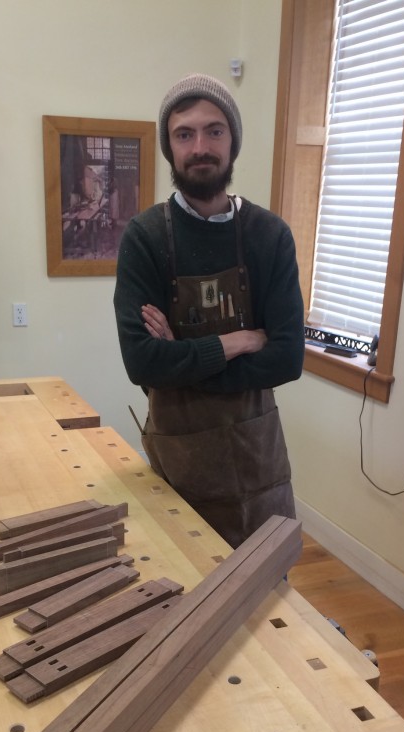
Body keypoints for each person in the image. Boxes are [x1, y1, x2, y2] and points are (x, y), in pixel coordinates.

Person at [114, 73, 305, 548]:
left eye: (214, 130)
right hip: (179, 468)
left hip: (259, 467)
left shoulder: (270, 235)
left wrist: (183, 359)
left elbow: (287, 358)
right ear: (170, 147)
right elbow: (141, 363)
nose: (200, 146)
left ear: (233, 142)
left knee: (269, 599)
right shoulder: (145, 238)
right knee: (181, 593)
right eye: (184, 134)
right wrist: (236, 342)